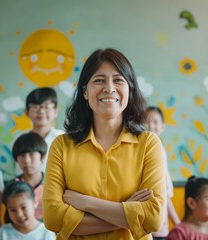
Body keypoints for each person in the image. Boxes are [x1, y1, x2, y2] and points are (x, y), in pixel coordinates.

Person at [43, 48, 166, 240]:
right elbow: (53, 219)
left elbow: (153, 219)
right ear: (85, 92)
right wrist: (127, 212)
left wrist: (85, 203)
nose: (109, 88)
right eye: (99, 80)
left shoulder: (149, 144)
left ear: (130, 90)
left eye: (118, 80)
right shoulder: (61, 145)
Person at [144, 106, 181, 239]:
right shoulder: (140, 150)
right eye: (145, 121)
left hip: (160, 227)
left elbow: (165, 194)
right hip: (146, 227)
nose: (149, 125)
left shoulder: (160, 150)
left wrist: (178, 225)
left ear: (163, 126)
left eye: (155, 122)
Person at [25, 87, 64, 173]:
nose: (41, 111)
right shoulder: (20, 139)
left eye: (47, 106)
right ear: (26, 112)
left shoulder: (64, 139)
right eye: (35, 107)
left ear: (55, 111)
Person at [12, 132, 47, 221]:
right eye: (22, 155)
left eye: (32, 155)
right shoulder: (12, 185)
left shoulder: (53, 183)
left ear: (42, 157)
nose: (27, 161)